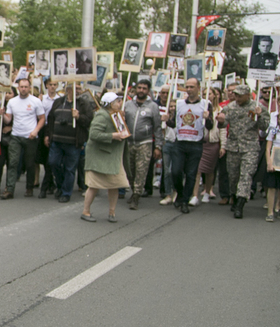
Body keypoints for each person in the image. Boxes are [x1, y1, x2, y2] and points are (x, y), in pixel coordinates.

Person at [217, 85, 266, 219]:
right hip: (233, 146)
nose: (237, 98)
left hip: (250, 147)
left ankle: (240, 204)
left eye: (240, 96)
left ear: (247, 95)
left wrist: (260, 116)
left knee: (246, 175)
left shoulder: (257, 107)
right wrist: (220, 121)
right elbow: (223, 122)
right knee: (233, 176)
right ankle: (234, 195)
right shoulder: (230, 107)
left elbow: (264, 127)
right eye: (236, 95)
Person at [82, 92, 130, 222]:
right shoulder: (102, 116)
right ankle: (86, 211)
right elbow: (94, 134)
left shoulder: (116, 114)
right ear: (110, 104)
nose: (120, 103)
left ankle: (112, 212)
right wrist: (113, 136)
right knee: (94, 185)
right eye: (117, 101)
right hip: (99, 156)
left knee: (115, 184)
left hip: (112, 156)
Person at [167, 78, 213, 213]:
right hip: (180, 142)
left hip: (196, 143)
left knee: (191, 174)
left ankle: (185, 200)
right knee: (175, 171)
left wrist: (207, 118)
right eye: (187, 87)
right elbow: (173, 123)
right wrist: (166, 119)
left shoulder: (205, 104)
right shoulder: (180, 104)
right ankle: (180, 194)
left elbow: (210, 126)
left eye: (192, 87)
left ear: (198, 88)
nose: (189, 89)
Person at [46, 83, 94, 203]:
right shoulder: (58, 102)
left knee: (70, 168)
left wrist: (79, 117)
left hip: (73, 142)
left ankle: (66, 193)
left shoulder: (83, 104)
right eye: (75, 88)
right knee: (53, 162)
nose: (78, 91)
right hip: (57, 141)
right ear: (68, 90)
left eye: (79, 88)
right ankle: (61, 186)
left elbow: (89, 120)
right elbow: (50, 118)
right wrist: (48, 134)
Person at [1, 77, 45, 199]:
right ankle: (9, 189)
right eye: (21, 87)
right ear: (18, 88)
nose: (24, 89)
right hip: (16, 136)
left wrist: (36, 130)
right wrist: (3, 114)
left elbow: (42, 118)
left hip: (30, 136)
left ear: (29, 88)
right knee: (13, 162)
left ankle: (29, 187)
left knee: (30, 163)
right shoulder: (12, 102)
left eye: (26, 87)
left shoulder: (36, 101)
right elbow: (8, 119)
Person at [122, 79, 163, 210]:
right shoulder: (128, 104)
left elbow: (157, 127)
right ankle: (133, 189)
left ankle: (136, 196)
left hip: (144, 143)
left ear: (148, 90)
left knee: (141, 170)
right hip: (129, 142)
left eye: (144, 88)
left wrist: (158, 146)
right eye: (139, 88)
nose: (141, 90)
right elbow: (121, 123)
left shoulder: (153, 106)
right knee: (129, 170)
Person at [195, 86, 224, 204]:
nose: (207, 96)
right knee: (197, 169)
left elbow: (222, 129)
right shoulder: (199, 108)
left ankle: (207, 191)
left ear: (215, 96)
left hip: (212, 143)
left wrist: (223, 145)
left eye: (210, 94)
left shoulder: (220, 110)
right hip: (200, 141)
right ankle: (194, 195)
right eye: (204, 94)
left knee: (209, 170)